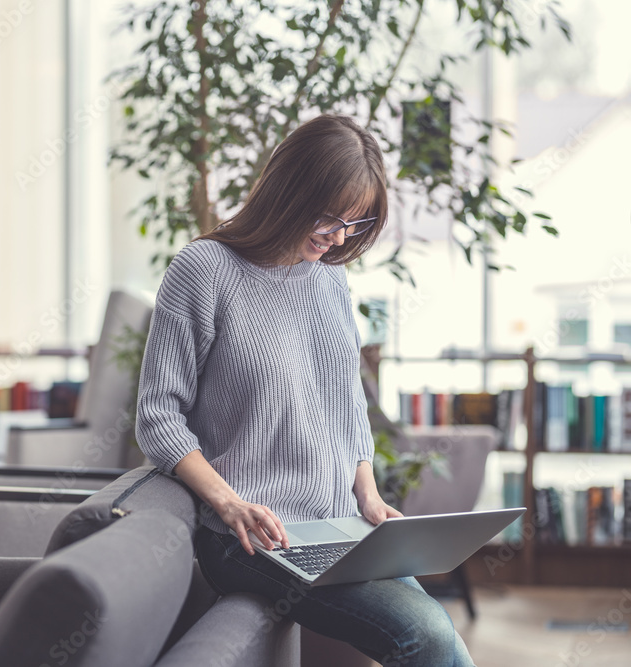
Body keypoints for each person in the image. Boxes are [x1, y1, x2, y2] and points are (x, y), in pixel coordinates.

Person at [135, 113, 475, 666]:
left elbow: (346, 405)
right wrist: (228, 503)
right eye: (328, 216)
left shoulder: (329, 279)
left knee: (445, 641)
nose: (338, 236)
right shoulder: (203, 269)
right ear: (288, 191)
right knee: (428, 638)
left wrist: (366, 494)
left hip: (336, 525)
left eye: (355, 223)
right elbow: (158, 416)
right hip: (251, 537)